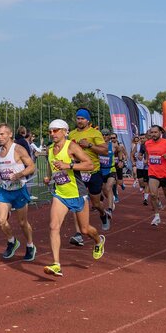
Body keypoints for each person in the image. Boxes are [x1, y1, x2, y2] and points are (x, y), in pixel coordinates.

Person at [43, 119, 105, 277]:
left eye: (56, 130)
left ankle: (98, 241)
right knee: (53, 227)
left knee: (85, 230)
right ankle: (56, 264)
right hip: (61, 194)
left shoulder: (72, 146)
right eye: (50, 131)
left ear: (65, 131)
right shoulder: (50, 149)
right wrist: (48, 177)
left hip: (77, 193)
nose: (52, 134)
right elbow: (52, 166)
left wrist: (68, 166)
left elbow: (89, 164)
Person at [0, 123, 37, 261]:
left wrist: (18, 175)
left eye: (2, 134)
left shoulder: (18, 149)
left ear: (10, 134)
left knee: (23, 222)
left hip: (19, 190)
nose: (0, 137)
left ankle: (30, 245)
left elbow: (31, 167)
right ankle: (12, 241)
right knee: (1, 220)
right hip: (5, 191)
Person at [68, 109, 109, 242]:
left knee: (96, 203)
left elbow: (104, 151)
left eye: (82, 119)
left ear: (88, 120)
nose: (80, 121)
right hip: (78, 172)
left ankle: (103, 214)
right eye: (78, 118)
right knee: (77, 202)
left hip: (93, 172)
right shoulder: (72, 134)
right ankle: (78, 233)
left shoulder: (95, 133)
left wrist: (89, 145)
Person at [142, 125, 166, 227]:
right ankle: (157, 216)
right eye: (152, 132)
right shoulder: (147, 143)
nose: (153, 134)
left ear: (160, 133)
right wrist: (147, 160)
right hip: (153, 173)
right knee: (153, 194)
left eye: (155, 132)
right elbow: (148, 154)